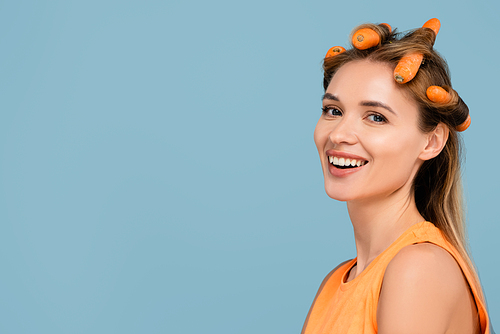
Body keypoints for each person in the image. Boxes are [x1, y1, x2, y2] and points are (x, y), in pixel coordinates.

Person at [301, 19, 492, 334]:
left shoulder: (417, 269)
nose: (339, 134)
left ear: (431, 142)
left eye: (376, 117)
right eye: (333, 110)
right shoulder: (337, 281)